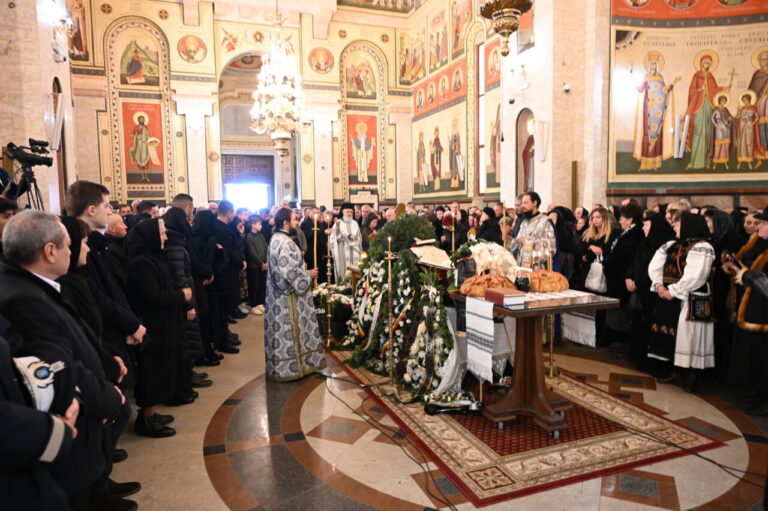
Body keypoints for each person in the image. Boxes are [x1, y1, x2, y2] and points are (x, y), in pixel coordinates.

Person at [0, 210, 125, 509]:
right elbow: (61, 366)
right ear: (50, 251)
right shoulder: (23, 298)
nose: (74, 250)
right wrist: (107, 400)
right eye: (69, 245)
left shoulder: (31, 285)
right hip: (73, 435)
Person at [126, 218, 190, 437]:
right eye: (161, 233)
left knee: (161, 370)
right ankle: (146, 419)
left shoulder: (154, 257)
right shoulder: (141, 263)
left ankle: (152, 413)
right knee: (151, 372)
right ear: (150, 237)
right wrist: (182, 295)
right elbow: (152, 297)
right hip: (154, 327)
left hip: (165, 325)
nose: (165, 237)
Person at [647, 212, 715, 392]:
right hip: (673, 295)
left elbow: (697, 275)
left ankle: (693, 376)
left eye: (678, 225)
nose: (674, 228)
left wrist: (674, 291)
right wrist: (659, 286)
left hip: (695, 297)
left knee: (693, 335)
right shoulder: (672, 244)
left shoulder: (703, 247)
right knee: (677, 336)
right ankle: (677, 371)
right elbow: (655, 265)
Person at [264, 208, 326, 381]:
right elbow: (289, 271)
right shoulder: (285, 242)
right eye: (293, 219)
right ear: (285, 222)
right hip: (288, 298)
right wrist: (309, 274)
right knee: (291, 331)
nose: (297, 222)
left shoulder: (276, 238)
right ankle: (292, 368)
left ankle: (284, 367)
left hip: (278, 296)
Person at [725, 207, 768, 413]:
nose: (759, 227)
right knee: (745, 352)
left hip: (762, 311)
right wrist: (733, 266)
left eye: (763, 223)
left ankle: (760, 397)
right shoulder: (755, 242)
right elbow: (745, 264)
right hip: (746, 303)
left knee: (760, 355)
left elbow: (762, 280)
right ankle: (747, 391)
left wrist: (746, 275)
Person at [602, 203, 644, 349]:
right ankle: (615, 338)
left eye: (622, 218)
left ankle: (620, 341)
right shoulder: (625, 232)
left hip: (622, 277)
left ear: (630, 219)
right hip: (616, 277)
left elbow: (622, 256)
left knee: (621, 311)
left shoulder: (635, 234)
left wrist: (607, 262)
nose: (619, 221)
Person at [507, 191, 556, 266]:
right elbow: (517, 242)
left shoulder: (545, 222)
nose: (522, 206)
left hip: (538, 269)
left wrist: (527, 241)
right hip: (521, 268)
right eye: (522, 203)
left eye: (525, 203)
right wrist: (508, 239)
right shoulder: (524, 223)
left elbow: (550, 248)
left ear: (535, 203)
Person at [330, 203, 362, 281]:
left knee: (356, 270)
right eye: (348, 211)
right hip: (342, 251)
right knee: (344, 271)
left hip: (355, 251)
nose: (349, 213)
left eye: (351, 212)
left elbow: (359, 238)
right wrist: (337, 227)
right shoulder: (338, 223)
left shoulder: (355, 223)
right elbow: (335, 238)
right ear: (343, 212)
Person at [245, 216, 268, 315]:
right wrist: (261, 263)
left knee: (262, 285)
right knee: (254, 285)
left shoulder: (261, 236)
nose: (261, 226)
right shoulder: (249, 237)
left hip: (264, 265)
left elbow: (266, 248)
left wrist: (266, 262)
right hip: (255, 265)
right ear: (253, 225)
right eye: (259, 224)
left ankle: (260, 303)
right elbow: (252, 252)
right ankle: (253, 305)